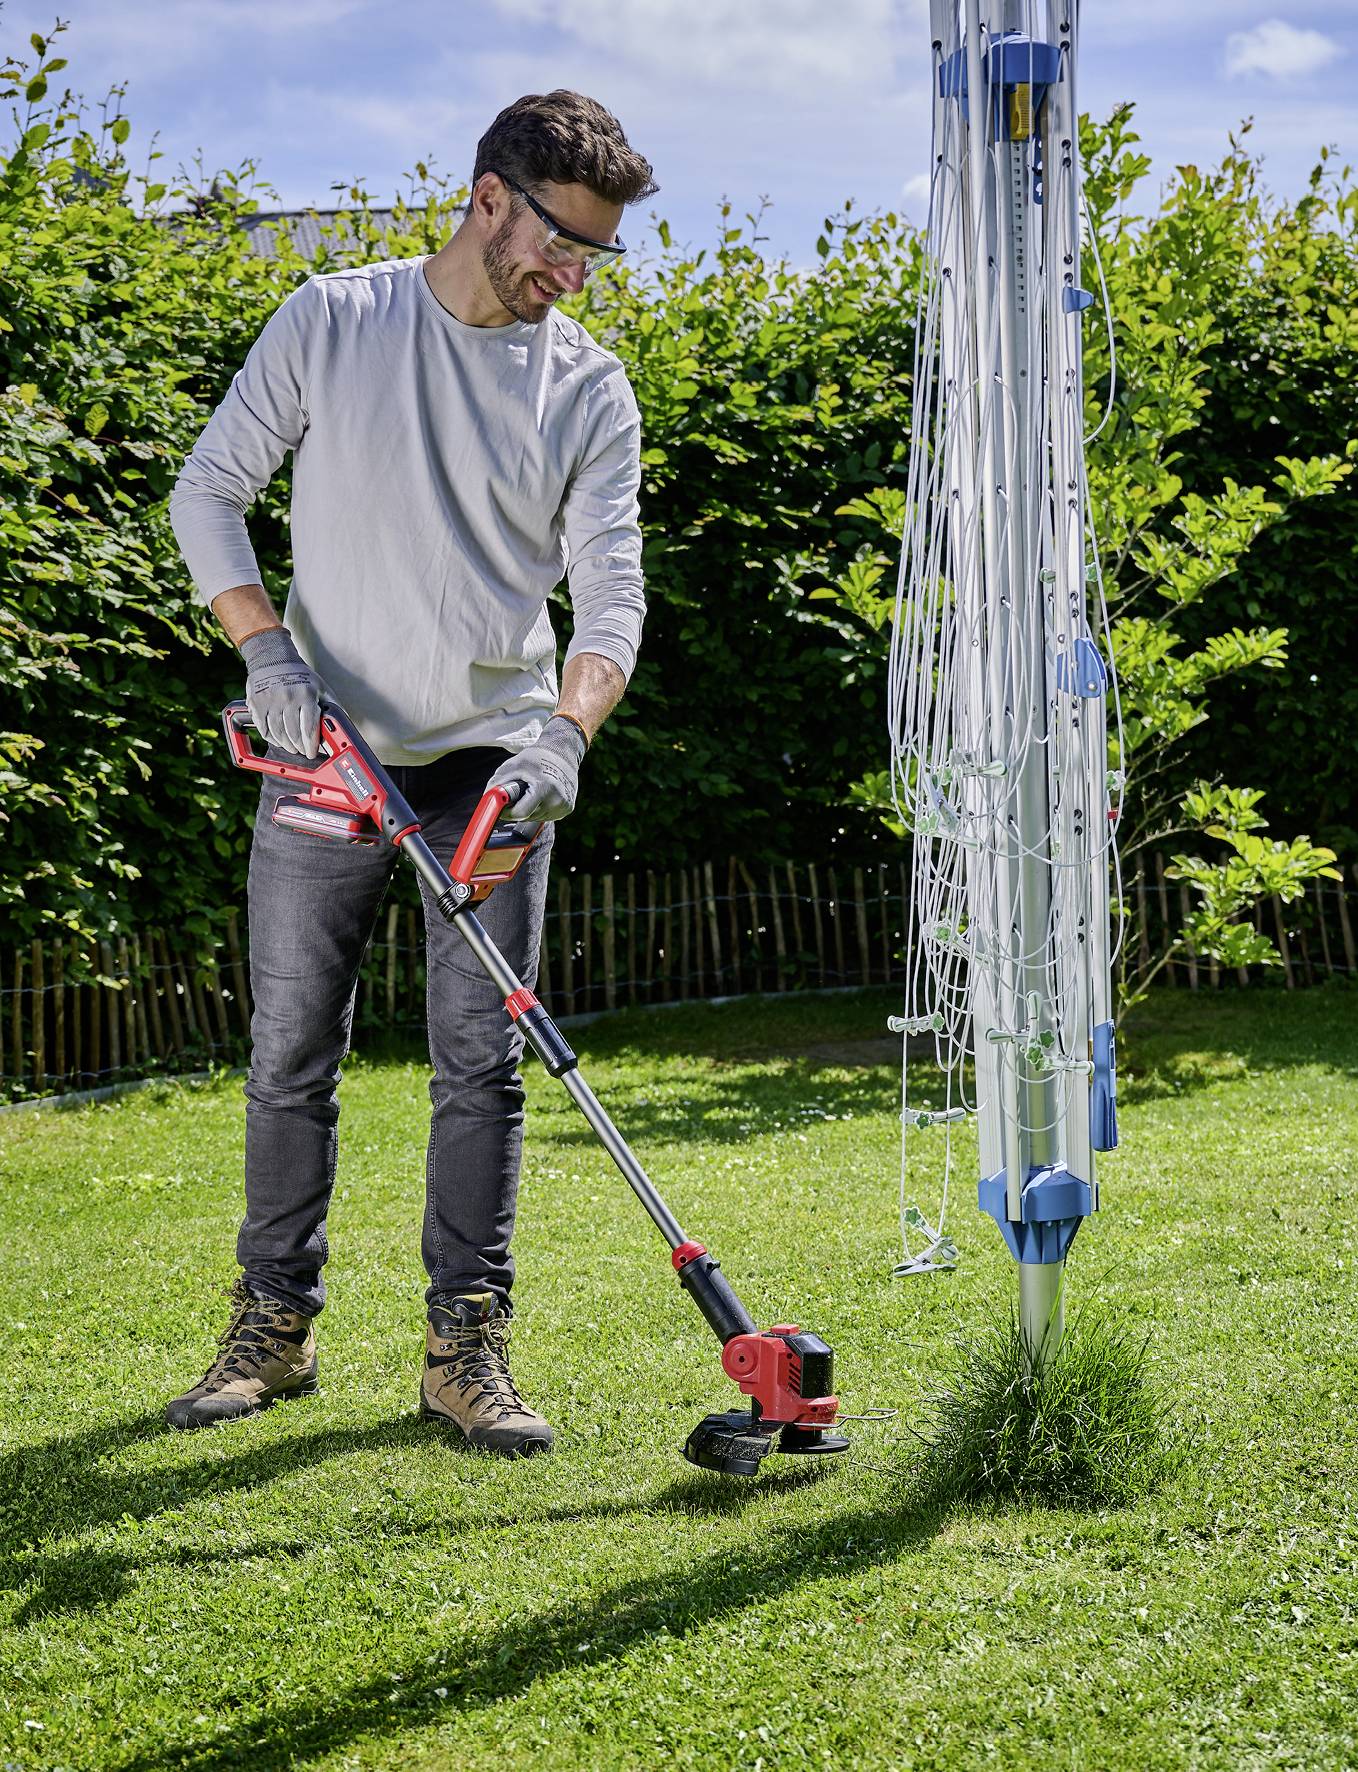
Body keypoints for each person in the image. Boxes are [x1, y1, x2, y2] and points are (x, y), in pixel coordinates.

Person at [165, 91, 655, 1454]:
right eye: (561, 241)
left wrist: (564, 736)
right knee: (288, 1052)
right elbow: (207, 490)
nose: (572, 276)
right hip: (325, 751)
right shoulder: (336, 318)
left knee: (479, 1065)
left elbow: (610, 599)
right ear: (488, 195)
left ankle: (465, 1347)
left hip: (492, 765)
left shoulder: (585, 385)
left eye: (594, 258)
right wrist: (266, 653)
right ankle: (271, 1327)